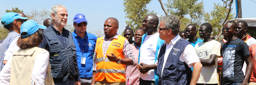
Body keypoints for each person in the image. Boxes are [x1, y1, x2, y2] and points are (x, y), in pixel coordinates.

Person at [0, 20, 52, 85]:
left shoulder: (15, 54)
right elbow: (37, 77)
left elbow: (3, 77)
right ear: (38, 35)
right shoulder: (41, 53)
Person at [156, 15, 202, 85]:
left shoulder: (184, 46)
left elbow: (197, 65)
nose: (158, 31)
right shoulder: (163, 46)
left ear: (169, 31)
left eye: (160, 29)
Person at [40, 5, 79, 85]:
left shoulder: (69, 34)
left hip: (71, 81)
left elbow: (73, 57)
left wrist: (77, 79)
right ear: (53, 16)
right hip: (54, 81)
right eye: (62, 15)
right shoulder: (45, 35)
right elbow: (40, 61)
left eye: (67, 15)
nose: (65, 17)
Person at [93, 17, 134, 85]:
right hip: (99, 80)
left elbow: (131, 60)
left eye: (109, 26)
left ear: (116, 28)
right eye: (104, 25)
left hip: (116, 81)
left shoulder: (122, 41)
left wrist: (118, 60)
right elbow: (94, 62)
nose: (106, 28)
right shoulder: (99, 41)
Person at [221, 21, 252, 85]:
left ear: (235, 30)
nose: (225, 31)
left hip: (237, 81)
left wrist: (245, 81)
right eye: (224, 29)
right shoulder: (224, 45)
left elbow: (250, 63)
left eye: (227, 29)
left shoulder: (241, 44)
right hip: (225, 82)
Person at [137, 14, 164, 85]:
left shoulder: (160, 38)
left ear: (154, 24)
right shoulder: (144, 37)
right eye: (143, 21)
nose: (143, 24)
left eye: (146, 22)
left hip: (153, 80)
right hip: (142, 78)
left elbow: (164, 61)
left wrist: (149, 67)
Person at [72, 13, 97, 85]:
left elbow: (97, 57)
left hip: (90, 77)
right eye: (79, 24)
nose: (83, 26)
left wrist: (94, 78)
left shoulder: (93, 38)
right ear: (74, 25)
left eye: (85, 24)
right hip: (75, 79)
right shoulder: (69, 38)